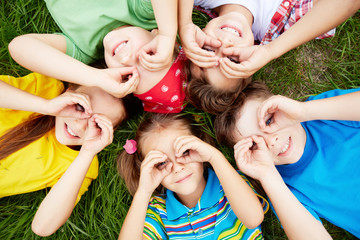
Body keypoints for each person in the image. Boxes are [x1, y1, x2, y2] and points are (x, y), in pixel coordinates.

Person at [0, 72, 140, 236]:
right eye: (80, 107)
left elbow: (42, 227)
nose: (80, 126)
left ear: (110, 132)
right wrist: (45, 106)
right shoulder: (45, 89)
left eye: (97, 124)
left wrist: (87, 153)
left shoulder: (79, 164)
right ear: (69, 92)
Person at [214, 81, 360, 238]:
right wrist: (267, 174)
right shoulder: (282, 188)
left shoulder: (321, 114)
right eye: (255, 144)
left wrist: (303, 111)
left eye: (269, 121)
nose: (271, 141)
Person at [179, 0, 360, 114]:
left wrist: (184, 22)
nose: (224, 44)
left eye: (208, 50)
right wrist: (271, 51)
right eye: (233, 59)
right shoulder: (283, 24)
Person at [8, 0, 188, 114]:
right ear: (155, 35)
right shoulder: (144, 11)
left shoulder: (83, 50)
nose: (126, 60)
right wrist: (167, 33)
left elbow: (19, 47)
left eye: (127, 76)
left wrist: (95, 77)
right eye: (149, 55)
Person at [117, 113, 269, 239]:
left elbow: (254, 219)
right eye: (162, 163)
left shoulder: (229, 182)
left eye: (184, 152)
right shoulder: (159, 211)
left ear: (200, 147)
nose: (177, 168)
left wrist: (214, 157)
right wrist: (143, 191)